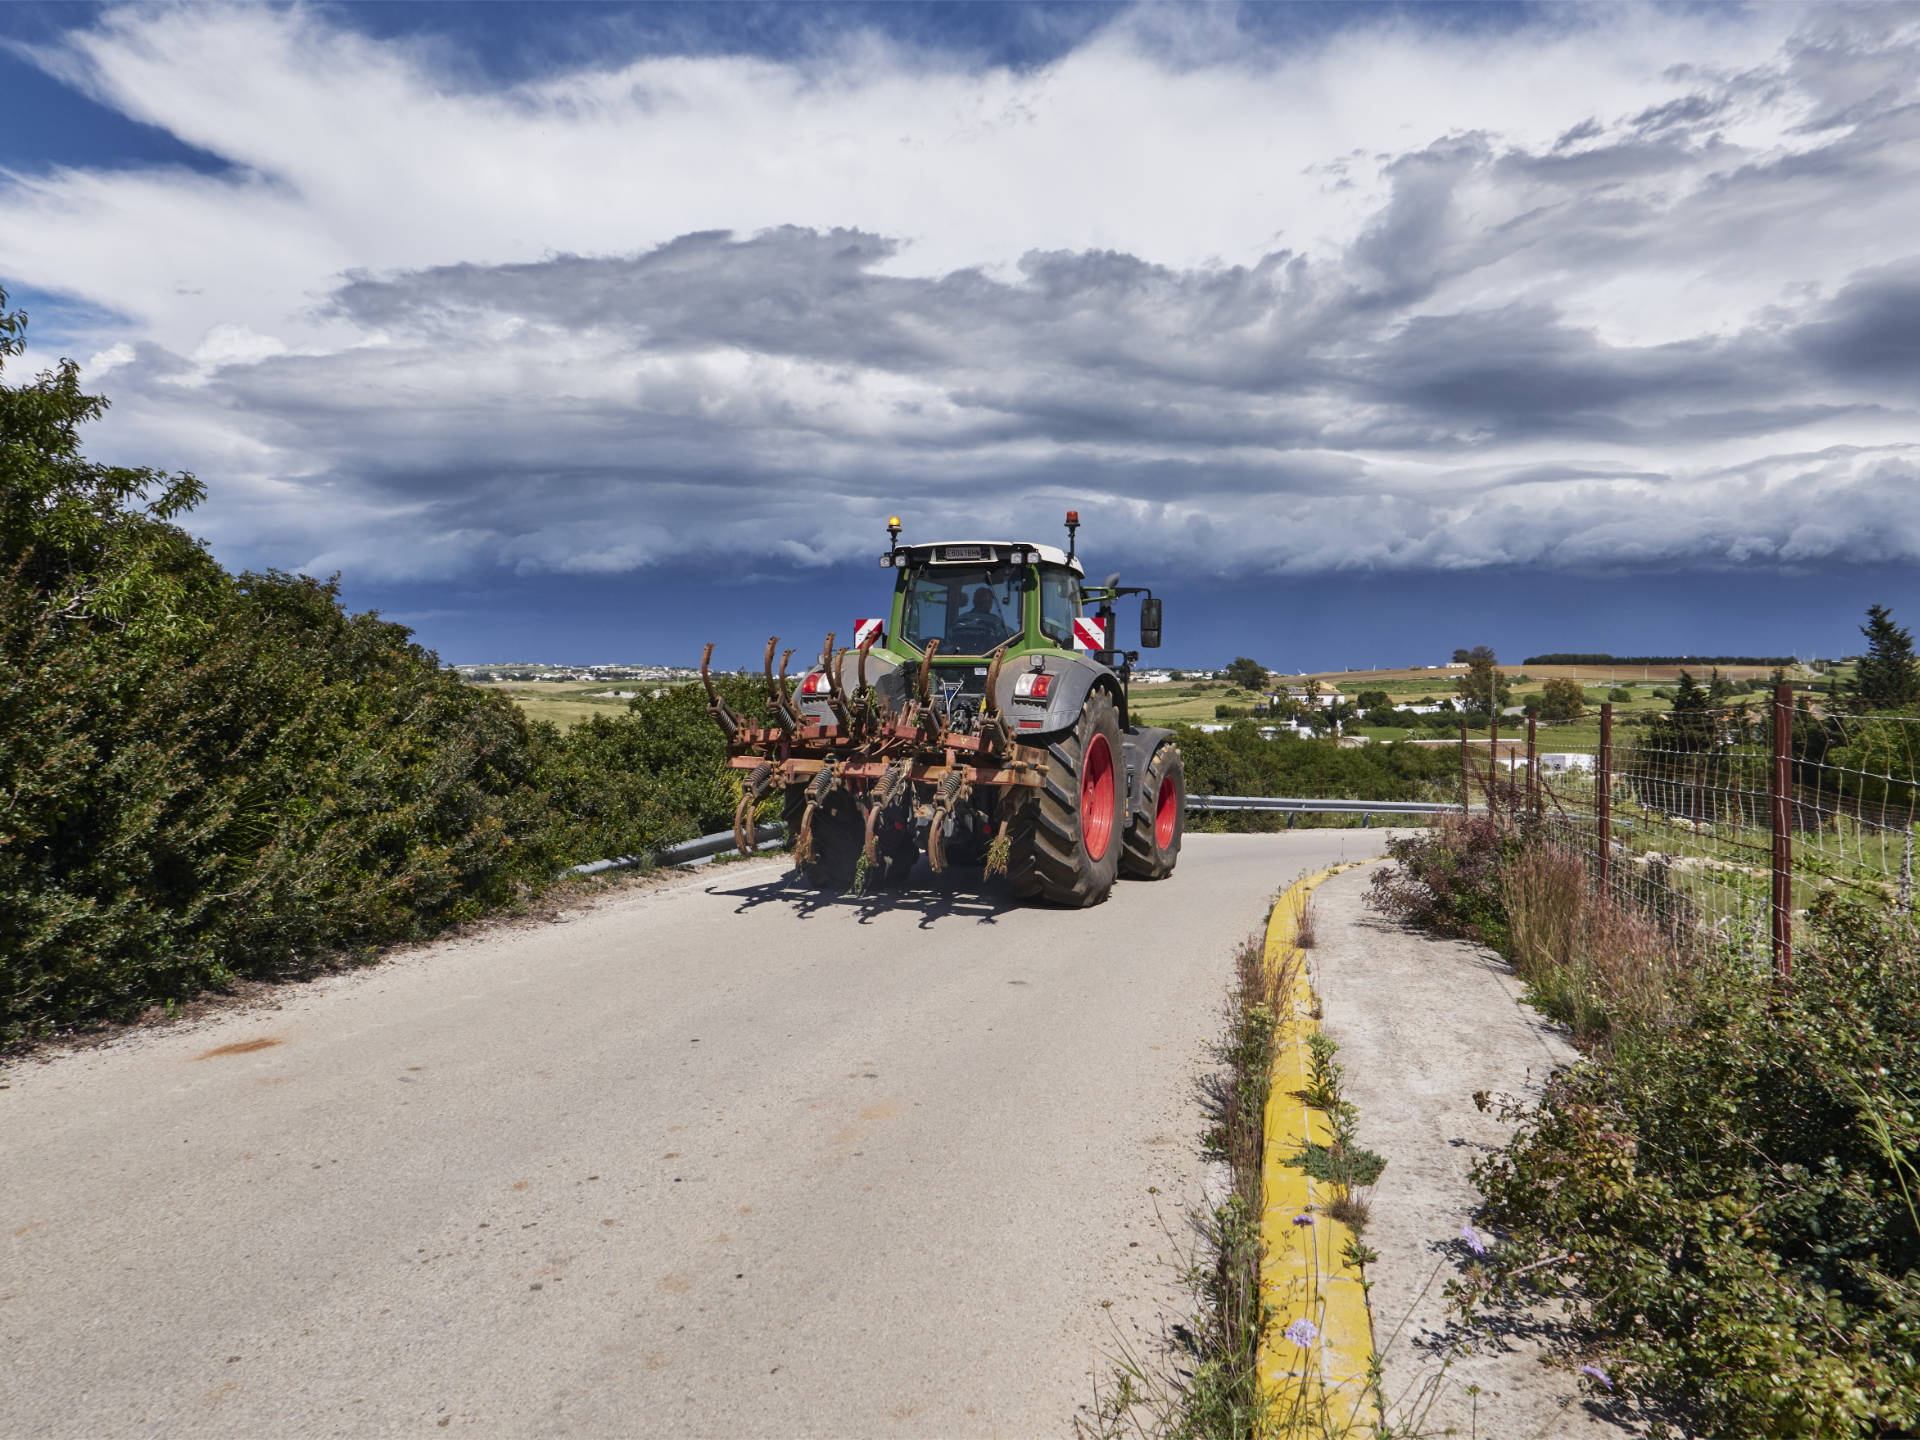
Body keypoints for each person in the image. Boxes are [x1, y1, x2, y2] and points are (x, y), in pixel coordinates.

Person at [948, 585, 1011, 652]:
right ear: (979, 602)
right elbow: (1007, 638)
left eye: (990, 601)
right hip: (990, 656)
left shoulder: (960, 619)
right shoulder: (994, 621)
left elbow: (949, 639)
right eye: (988, 601)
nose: (990, 604)